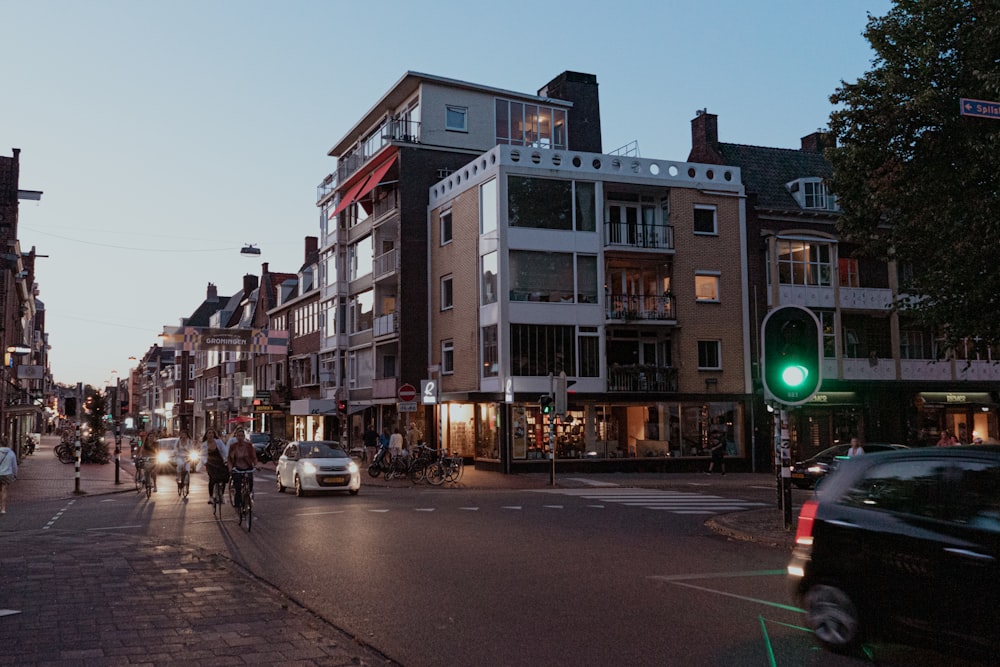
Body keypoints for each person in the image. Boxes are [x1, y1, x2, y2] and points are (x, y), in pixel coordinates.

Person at [227, 427, 258, 511]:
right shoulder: (233, 446)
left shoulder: (248, 446)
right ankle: (238, 505)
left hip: (247, 467)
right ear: (236, 437)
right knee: (238, 487)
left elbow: (254, 457)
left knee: (250, 483)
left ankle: (248, 497)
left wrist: (256, 465)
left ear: (244, 437)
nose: (240, 437)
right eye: (238, 436)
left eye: (242, 436)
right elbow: (229, 459)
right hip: (237, 468)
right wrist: (230, 468)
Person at [202, 428, 229, 505]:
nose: (210, 435)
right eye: (209, 433)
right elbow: (203, 455)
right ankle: (211, 497)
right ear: (206, 435)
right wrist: (205, 462)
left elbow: (224, 450)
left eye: (212, 433)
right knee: (212, 479)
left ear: (214, 435)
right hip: (210, 464)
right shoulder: (204, 445)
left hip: (220, 462)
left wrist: (226, 458)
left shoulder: (219, 442)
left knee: (224, 478)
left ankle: (222, 495)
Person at [0, 441, 18, 514]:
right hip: (7, 474)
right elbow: (14, 465)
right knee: (4, 491)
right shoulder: (11, 453)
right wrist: (15, 474)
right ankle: (3, 508)